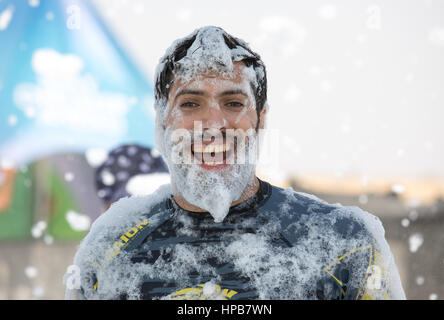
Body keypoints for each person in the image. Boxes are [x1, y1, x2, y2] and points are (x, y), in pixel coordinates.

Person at [66, 26, 405, 300]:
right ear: (161, 124)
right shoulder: (109, 251)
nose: (213, 124)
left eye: (232, 103)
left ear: (261, 120)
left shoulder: (343, 245)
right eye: (190, 103)